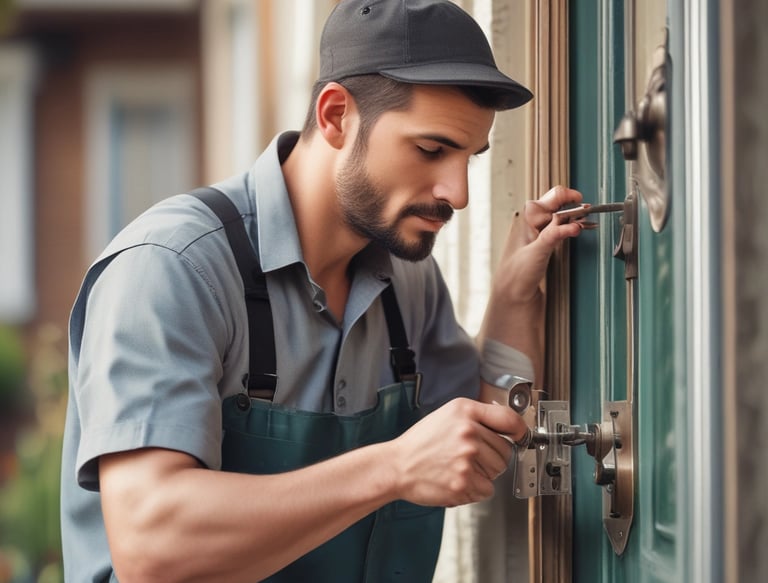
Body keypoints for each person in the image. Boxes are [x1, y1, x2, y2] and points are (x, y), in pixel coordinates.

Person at [61, 0, 583, 581]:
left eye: (469, 159)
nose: (456, 193)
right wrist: (391, 468)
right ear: (335, 116)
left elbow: (478, 436)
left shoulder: (407, 280)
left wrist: (515, 294)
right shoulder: (173, 270)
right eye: (431, 150)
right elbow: (151, 547)